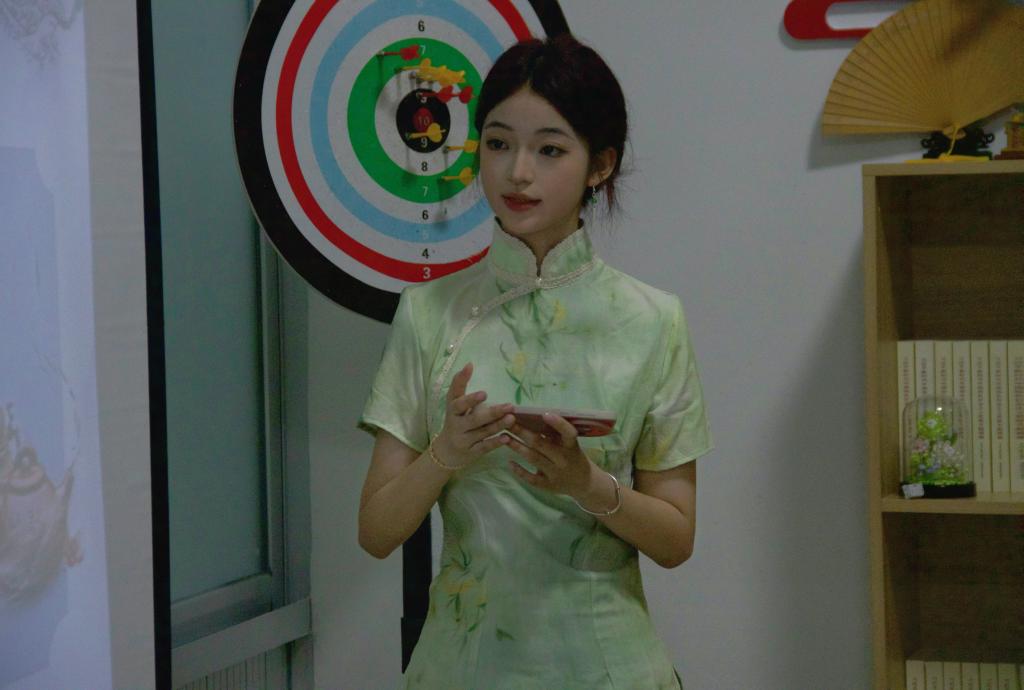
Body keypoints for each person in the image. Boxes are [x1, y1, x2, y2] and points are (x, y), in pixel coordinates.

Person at [357, 33, 713, 690]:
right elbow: (377, 532)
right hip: (461, 670)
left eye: (549, 149)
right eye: (498, 144)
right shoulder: (428, 312)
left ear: (600, 165)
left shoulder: (654, 320)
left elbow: (676, 541)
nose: (517, 172)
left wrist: (585, 483)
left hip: (611, 669)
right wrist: (445, 453)